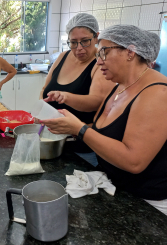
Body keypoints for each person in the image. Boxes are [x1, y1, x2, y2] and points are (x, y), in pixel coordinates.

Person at [40, 24, 167, 224]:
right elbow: (102, 132)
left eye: (104, 52)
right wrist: (66, 127)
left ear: (130, 52)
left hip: (154, 204)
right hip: (120, 190)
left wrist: (79, 129)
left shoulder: (159, 93)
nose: (98, 62)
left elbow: (134, 161)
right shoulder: (120, 87)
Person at [40, 13, 115, 166]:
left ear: (96, 37)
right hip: (51, 140)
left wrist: (66, 97)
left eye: (85, 41)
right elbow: (44, 89)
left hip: (81, 148)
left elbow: (97, 101)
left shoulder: (100, 64)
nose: (79, 48)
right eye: (73, 43)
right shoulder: (62, 57)